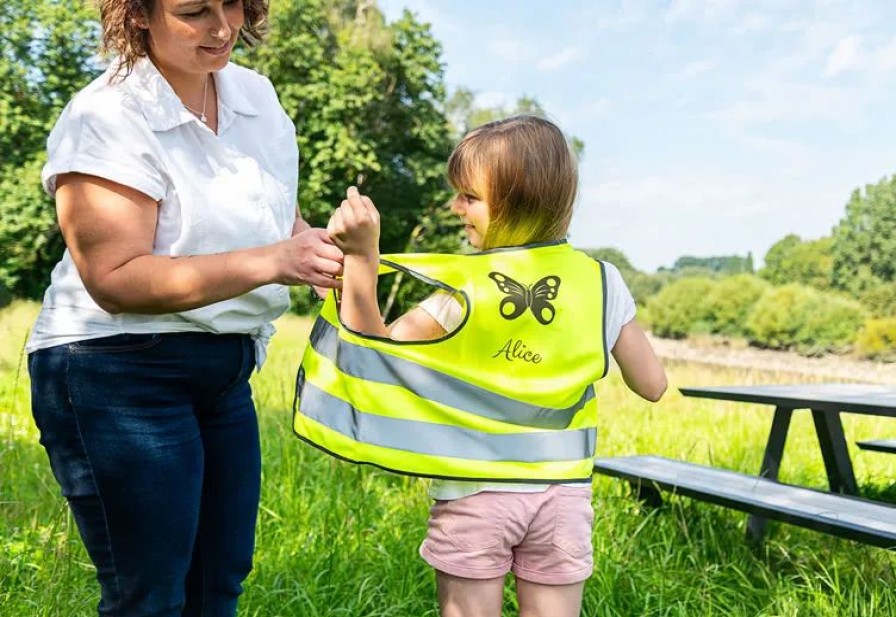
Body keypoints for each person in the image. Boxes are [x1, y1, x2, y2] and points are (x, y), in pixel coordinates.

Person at [26, 1, 343, 615]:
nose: (222, 27)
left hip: (224, 369)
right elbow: (116, 278)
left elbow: (276, 220)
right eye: (194, 10)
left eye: (231, 3)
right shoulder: (107, 114)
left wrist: (330, 254)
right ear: (138, 13)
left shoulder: (255, 95)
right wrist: (278, 260)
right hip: (115, 369)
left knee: (218, 583)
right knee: (149, 596)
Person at [297, 115, 667, 617]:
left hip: (474, 497)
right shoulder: (602, 282)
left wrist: (363, 259)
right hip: (562, 499)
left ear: (517, 200)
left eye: (469, 197)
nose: (456, 207)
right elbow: (652, 384)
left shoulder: (465, 287)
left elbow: (373, 353)